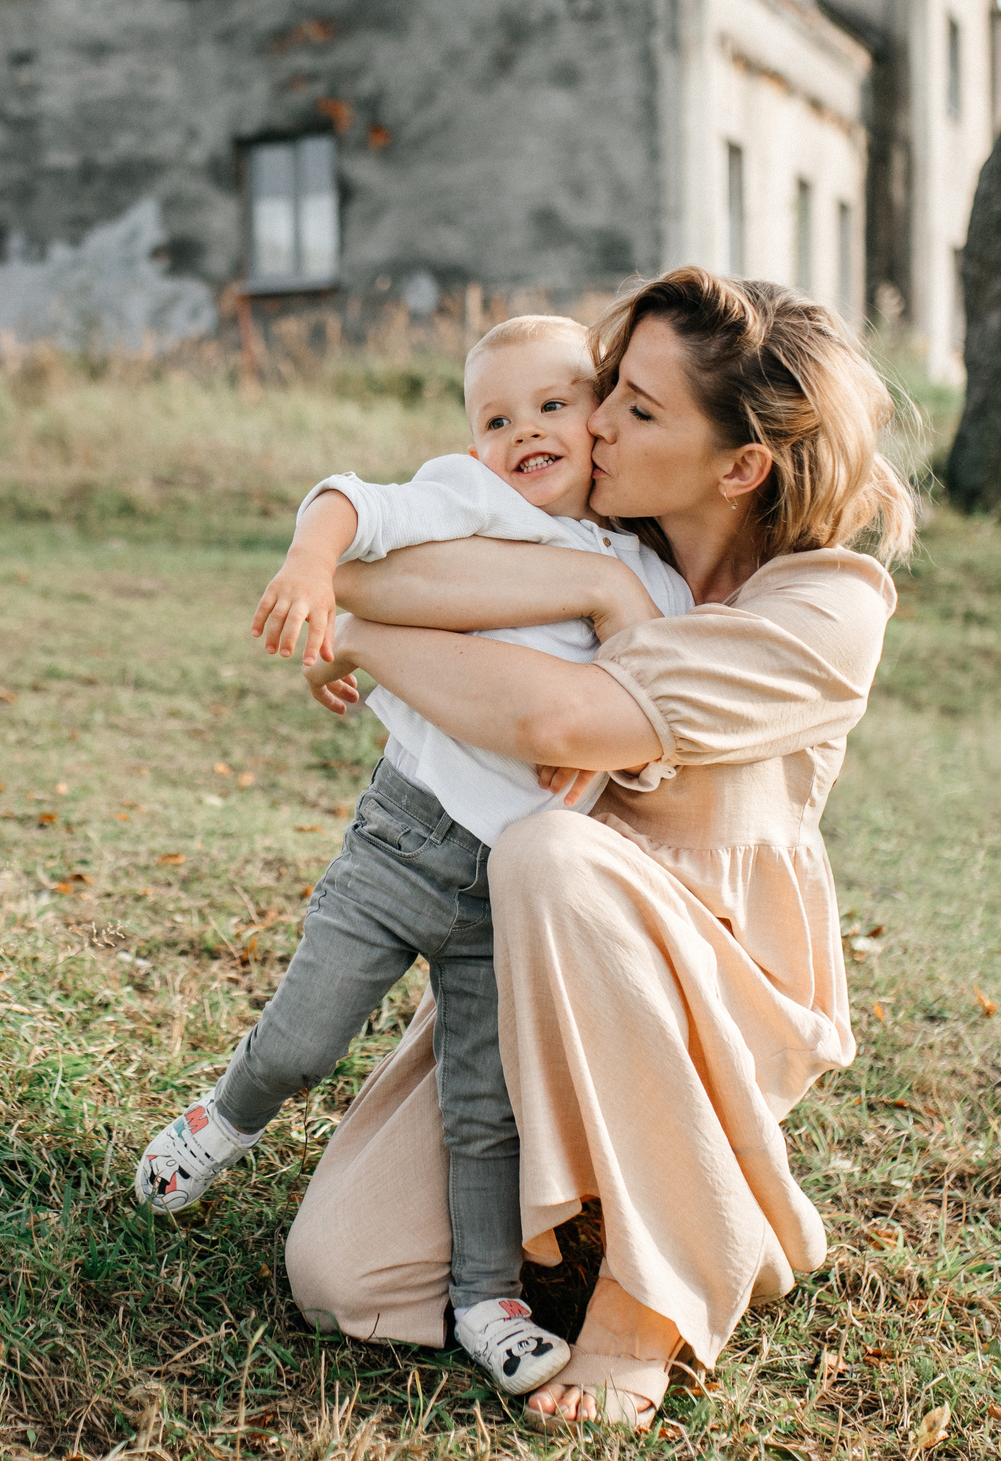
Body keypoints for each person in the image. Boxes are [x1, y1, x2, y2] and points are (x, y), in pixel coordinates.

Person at [284, 267, 916, 1430]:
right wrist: (583, 579)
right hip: (522, 971)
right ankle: (583, 1210)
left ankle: (657, 1285)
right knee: (346, 1273)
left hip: (700, 993)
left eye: (638, 407)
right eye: (608, 387)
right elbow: (371, 567)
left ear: (740, 465)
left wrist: (370, 637)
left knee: (548, 852)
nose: (594, 421)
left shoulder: (823, 609)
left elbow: (558, 721)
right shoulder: (594, 536)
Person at [131, 316, 690, 1397]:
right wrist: (312, 564)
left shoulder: (646, 572)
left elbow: (652, 693)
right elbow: (353, 499)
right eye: (497, 417)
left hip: (510, 892)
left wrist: (604, 735)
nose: (525, 431)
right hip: (403, 837)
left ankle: (487, 1300)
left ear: (601, 419)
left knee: (486, 1111)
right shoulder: (475, 498)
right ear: (474, 440)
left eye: (553, 404)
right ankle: (223, 1117)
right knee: (304, 1038)